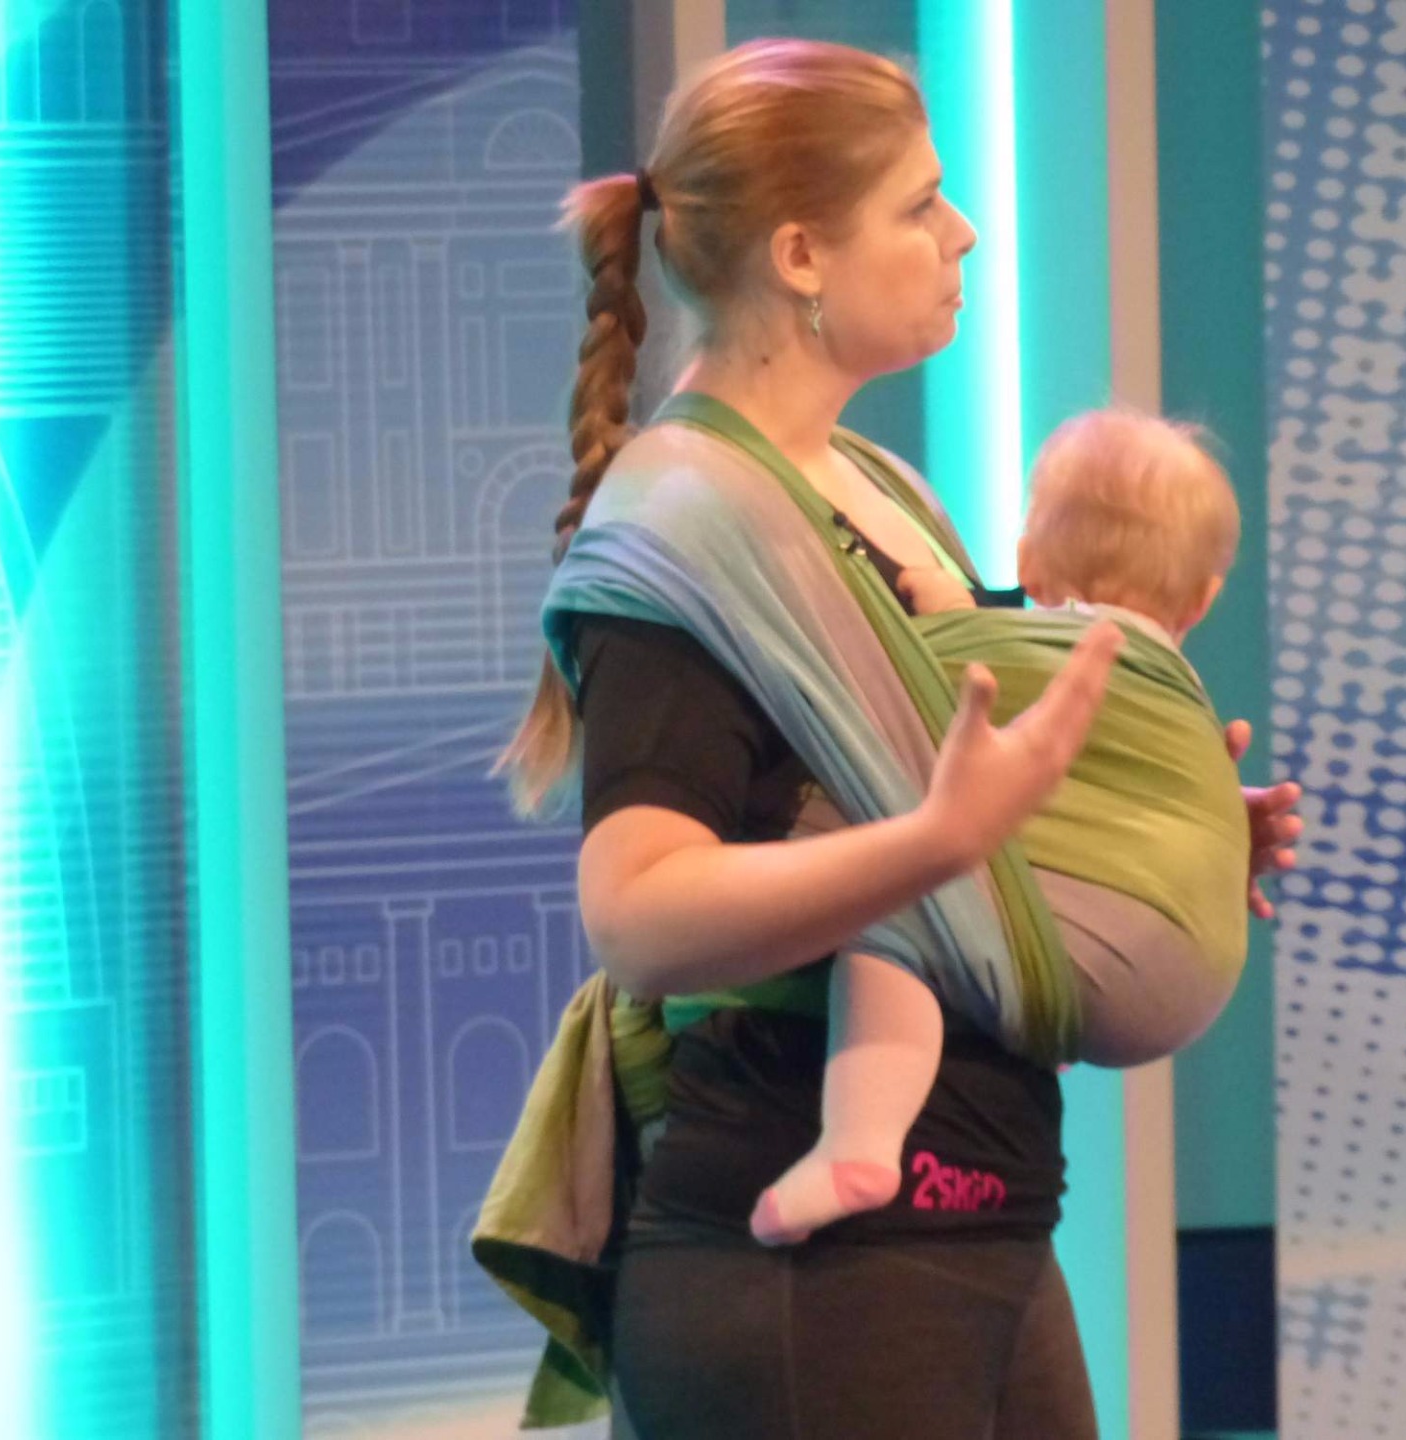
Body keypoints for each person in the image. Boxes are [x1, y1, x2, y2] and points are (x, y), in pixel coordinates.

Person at [482, 38, 1304, 1440]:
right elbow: (639, 912)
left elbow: (946, 829)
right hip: (804, 1271)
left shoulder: (883, 494)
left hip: (984, 1224)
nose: (963, 230)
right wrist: (939, 842)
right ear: (802, 255)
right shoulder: (688, 530)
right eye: (920, 204)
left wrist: (1129, 846)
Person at [754, 408, 1257, 1245]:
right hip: (1196, 967)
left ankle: (860, 1141)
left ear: (1025, 562)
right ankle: (1024, 1000)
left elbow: (927, 687)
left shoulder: (1031, 652)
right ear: (1204, 601)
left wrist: (950, 611)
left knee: (891, 914)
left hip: (1094, 939)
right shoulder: (1182, 694)